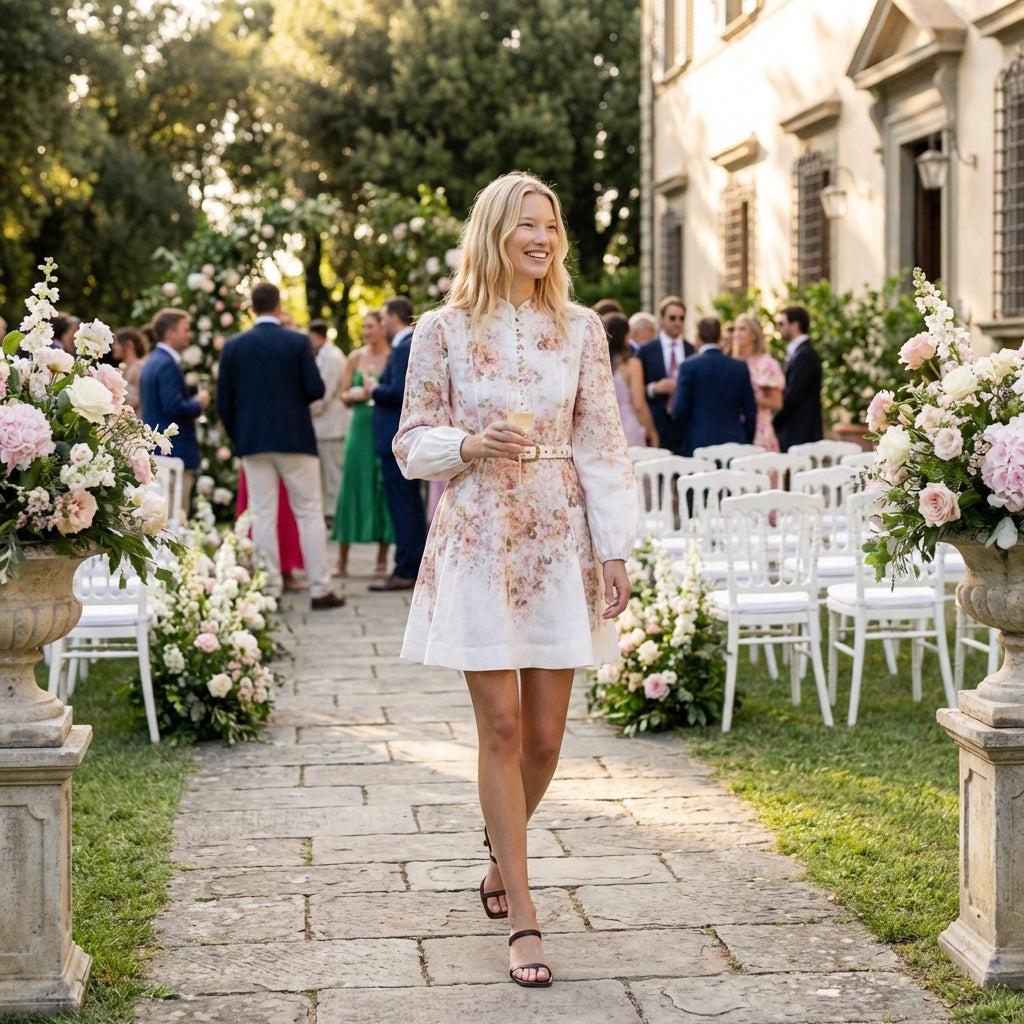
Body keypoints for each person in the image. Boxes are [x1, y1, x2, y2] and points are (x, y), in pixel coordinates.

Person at [393, 171, 638, 988]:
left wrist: (616, 548)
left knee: (544, 738)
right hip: (478, 536)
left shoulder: (581, 330)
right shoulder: (443, 328)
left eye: (551, 226)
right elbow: (410, 442)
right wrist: (467, 444)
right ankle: (526, 916)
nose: (540, 238)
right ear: (493, 233)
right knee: (499, 728)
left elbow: (602, 441)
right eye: (525, 225)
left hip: (558, 539)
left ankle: (500, 855)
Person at [216, 281, 344, 609]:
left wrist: (240, 438)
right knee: (309, 513)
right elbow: (315, 389)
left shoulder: (234, 347)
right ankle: (320, 588)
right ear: (278, 306)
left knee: (262, 514)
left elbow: (223, 401)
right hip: (295, 438)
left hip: (254, 441)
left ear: (252, 307)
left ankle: (269, 587)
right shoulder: (297, 342)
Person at [366, 297, 427, 591]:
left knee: (403, 506)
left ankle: (406, 568)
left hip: (395, 437)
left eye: (384, 319)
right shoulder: (410, 344)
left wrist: (375, 389)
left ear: (392, 317)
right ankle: (413, 564)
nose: (383, 325)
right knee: (410, 504)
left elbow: (402, 390)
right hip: (402, 438)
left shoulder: (404, 347)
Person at [332, 311, 394, 579]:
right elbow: (342, 395)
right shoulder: (354, 358)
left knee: (382, 488)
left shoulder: (394, 356)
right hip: (359, 429)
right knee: (352, 487)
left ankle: (382, 560)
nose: (366, 332)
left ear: (382, 327)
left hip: (384, 427)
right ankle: (342, 559)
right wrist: (352, 394)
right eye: (363, 327)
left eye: (370, 327)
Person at [138, 308, 209, 512]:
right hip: (173, 451)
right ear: (170, 333)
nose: (190, 334)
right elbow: (173, 407)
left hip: (157, 451)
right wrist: (198, 403)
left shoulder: (152, 361)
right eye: (185, 330)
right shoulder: (167, 364)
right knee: (175, 515)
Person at [671, 316, 756, 457]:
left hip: (698, 442)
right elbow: (750, 410)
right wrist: (746, 440)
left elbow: (680, 410)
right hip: (734, 443)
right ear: (719, 337)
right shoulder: (739, 367)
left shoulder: (689, 366)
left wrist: (680, 441)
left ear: (698, 337)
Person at [636, 296, 694, 454]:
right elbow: (636, 388)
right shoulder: (647, 350)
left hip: (685, 423)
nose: (677, 322)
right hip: (657, 420)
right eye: (672, 318)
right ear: (661, 319)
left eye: (681, 318)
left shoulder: (691, 349)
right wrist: (654, 388)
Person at [308, 319, 349, 525]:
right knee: (326, 473)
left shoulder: (332, 357)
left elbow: (325, 390)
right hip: (324, 426)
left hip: (331, 425)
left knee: (333, 472)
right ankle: (329, 512)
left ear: (317, 336)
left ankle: (335, 515)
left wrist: (309, 409)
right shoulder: (324, 355)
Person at [773, 305, 823, 451]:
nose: (779, 328)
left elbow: (794, 395)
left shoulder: (805, 354)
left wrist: (774, 420)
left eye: (782, 324)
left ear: (795, 325)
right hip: (795, 430)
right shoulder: (798, 352)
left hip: (801, 431)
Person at [732, 313, 784, 451]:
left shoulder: (766, 364)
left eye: (742, 329)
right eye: (735, 329)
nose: (737, 333)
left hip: (759, 432)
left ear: (754, 335)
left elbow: (777, 403)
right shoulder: (731, 363)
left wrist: (748, 398)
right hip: (734, 431)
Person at [605, 312, 658, 447]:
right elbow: (639, 404)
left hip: (605, 425)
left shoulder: (598, 363)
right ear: (625, 335)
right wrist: (652, 432)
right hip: (628, 426)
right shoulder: (632, 363)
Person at [112, 326, 148, 415]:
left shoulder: (139, 367)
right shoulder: (124, 369)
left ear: (128, 344)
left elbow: (142, 397)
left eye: (116, 343)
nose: (113, 347)